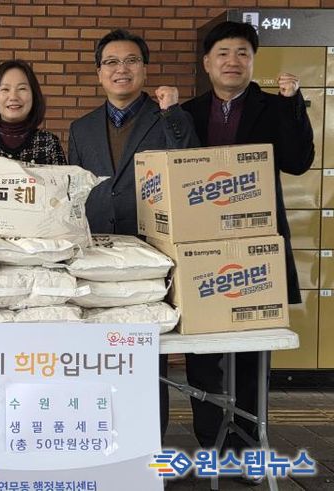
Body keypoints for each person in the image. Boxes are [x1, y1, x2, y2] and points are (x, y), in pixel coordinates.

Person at [182, 20, 314, 471]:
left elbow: (298, 162)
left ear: (253, 61)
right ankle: (210, 447)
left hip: (256, 246)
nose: (232, 61)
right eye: (223, 53)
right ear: (207, 63)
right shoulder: (189, 112)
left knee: (252, 355)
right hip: (200, 249)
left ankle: (245, 450)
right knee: (202, 354)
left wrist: (294, 104)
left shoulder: (275, 106)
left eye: (242, 53)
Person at [67, 28, 199, 440]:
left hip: (150, 255)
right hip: (97, 255)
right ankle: (101, 438)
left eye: (130, 61)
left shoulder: (167, 116)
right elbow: (75, 192)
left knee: (146, 355)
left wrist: (173, 113)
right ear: (99, 73)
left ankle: (147, 443)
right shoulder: (81, 128)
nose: (120, 69)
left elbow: (189, 163)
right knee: (97, 354)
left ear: (144, 69)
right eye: (111, 62)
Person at [0, 59, 67, 165]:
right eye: (5, 89)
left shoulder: (49, 143)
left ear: (34, 95)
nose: (13, 97)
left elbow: (65, 178)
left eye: (22, 89)